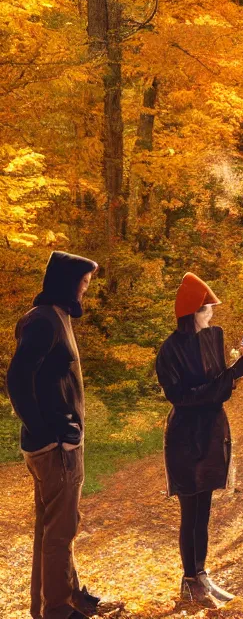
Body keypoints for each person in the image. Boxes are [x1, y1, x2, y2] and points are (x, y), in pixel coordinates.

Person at [6, 251, 106, 619]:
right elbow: (17, 380)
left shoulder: (56, 317)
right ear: (66, 282)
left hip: (60, 445)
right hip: (54, 449)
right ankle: (59, 611)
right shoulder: (43, 322)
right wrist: (48, 434)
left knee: (54, 528)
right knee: (60, 531)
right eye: (82, 283)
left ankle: (57, 601)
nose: (84, 290)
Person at [155, 272, 243, 607]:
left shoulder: (214, 337)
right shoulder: (168, 351)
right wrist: (224, 379)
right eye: (205, 309)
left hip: (212, 431)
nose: (211, 313)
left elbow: (224, 383)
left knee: (205, 510)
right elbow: (181, 397)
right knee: (190, 508)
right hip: (185, 436)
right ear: (190, 314)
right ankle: (189, 581)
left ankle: (202, 576)